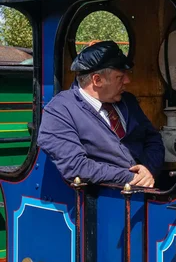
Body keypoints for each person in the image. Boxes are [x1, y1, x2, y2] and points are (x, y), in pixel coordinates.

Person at [38, 41, 164, 187]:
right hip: (103, 200)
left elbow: (153, 138)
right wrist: (132, 178)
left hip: (147, 191)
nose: (128, 80)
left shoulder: (128, 101)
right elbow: (76, 166)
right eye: (120, 77)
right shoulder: (60, 111)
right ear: (97, 80)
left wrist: (148, 170)